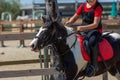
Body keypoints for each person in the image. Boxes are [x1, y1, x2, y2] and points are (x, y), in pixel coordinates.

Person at [65, 0, 103, 77]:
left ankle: (94, 66)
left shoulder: (98, 7)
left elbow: (95, 24)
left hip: (95, 30)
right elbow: (74, 17)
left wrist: (81, 27)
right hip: (84, 30)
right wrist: (68, 23)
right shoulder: (82, 6)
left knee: (92, 42)